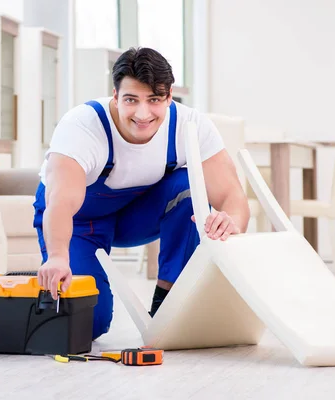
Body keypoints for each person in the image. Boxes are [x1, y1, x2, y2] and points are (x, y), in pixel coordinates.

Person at [32, 47, 250, 340]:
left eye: (155, 100)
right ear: (115, 95)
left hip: (135, 214)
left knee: (189, 186)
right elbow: (59, 202)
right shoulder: (82, 126)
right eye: (131, 100)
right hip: (79, 222)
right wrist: (58, 256)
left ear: (170, 96)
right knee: (88, 323)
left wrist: (231, 220)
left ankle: (167, 306)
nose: (143, 114)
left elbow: (232, 196)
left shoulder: (191, 126)